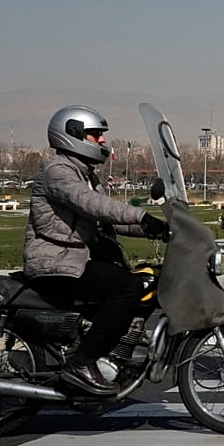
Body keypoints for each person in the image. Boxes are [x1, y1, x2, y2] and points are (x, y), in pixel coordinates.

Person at [24, 105, 169, 395]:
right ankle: (82, 363)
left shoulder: (85, 174)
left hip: (73, 259)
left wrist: (163, 229)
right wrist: (141, 215)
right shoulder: (58, 170)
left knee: (146, 280)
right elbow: (92, 205)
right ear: (72, 135)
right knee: (129, 287)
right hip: (55, 262)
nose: (102, 141)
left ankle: (112, 353)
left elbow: (106, 219)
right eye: (95, 135)